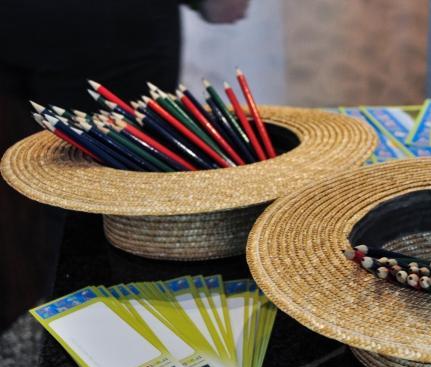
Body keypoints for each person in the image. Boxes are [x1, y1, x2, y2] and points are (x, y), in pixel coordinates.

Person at [0, 0, 249, 330]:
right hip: (110, 22)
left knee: (30, 177)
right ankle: (107, 334)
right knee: (111, 192)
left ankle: (48, 321)